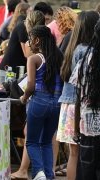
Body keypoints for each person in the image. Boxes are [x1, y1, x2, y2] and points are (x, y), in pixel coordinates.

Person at [57, 10, 99, 180]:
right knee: (77, 154)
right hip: (78, 106)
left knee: (74, 154)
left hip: (69, 104)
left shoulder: (73, 47)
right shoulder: (85, 51)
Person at [20, 25, 63, 180]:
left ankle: (38, 173)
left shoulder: (34, 59)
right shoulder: (60, 57)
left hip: (38, 101)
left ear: (37, 40)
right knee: (46, 142)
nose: (29, 43)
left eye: (30, 39)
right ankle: (49, 175)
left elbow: (30, 85)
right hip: (57, 103)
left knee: (31, 142)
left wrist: (24, 98)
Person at [69, 19, 100, 180]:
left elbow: (77, 99)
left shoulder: (84, 63)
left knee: (86, 170)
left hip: (87, 126)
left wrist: (75, 129)